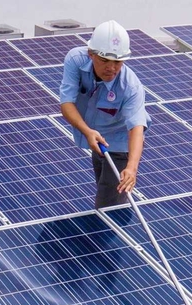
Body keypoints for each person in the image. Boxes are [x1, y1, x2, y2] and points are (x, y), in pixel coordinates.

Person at [60, 20, 150, 209]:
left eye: (118, 61)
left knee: (108, 203)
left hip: (119, 143)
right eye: (104, 60)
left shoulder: (130, 87)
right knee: (103, 186)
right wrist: (87, 131)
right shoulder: (75, 60)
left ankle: (110, 229)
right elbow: (66, 103)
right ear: (91, 54)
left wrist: (131, 168)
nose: (112, 68)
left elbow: (136, 128)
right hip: (96, 135)